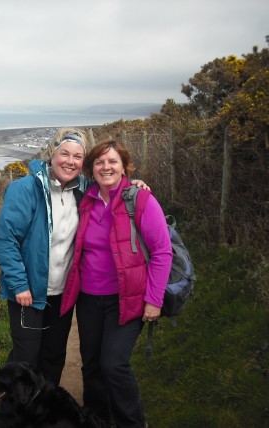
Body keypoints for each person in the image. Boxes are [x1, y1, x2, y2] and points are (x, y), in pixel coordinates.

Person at [0, 129, 148, 398]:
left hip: (64, 293)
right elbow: (6, 240)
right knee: (26, 359)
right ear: (51, 155)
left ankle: (45, 412)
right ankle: (12, 412)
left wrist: (134, 184)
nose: (70, 161)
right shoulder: (25, 189)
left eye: (78, 156)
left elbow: (110, 182)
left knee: (53, 358)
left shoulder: (84, 190)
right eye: (64, 153)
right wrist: (19, 285)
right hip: (28, 293)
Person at [60, 138, 173, 427]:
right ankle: (97, 420)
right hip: (88, 300)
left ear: (125, 167)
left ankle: (132, 422)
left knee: (114, 364)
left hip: (128, 298)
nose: (105, 167)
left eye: (112, 161)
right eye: (99, 162)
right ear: (91, 169)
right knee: (92, 365)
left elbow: (162, 251)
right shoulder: (87, 200)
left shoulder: (141, 199)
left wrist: (154, 300)